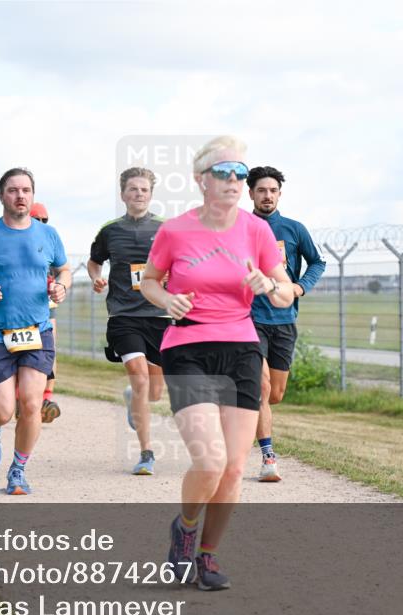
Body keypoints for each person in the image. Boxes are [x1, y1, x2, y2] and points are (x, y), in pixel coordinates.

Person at [139, 136, 294, 591]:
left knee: (232, 468)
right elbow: (149, 282)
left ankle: (207, 557)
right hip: (187, 348)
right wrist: (167, 298)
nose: (234, 181)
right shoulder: (174, 230)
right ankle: (185, 529)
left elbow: (286, 292)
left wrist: (268, 284)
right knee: (209, 460)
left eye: (240, 174)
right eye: (224, 172)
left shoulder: (257, 231)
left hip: (242, 348)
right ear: (201, 179)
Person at [0, 167, 71, 495]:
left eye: (25, 190)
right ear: (1, 196)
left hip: (37, 329)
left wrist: (61, 285)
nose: (20, 196)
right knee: (4, 409)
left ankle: (18, 469)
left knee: (32, 404)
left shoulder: (48, 235)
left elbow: (62, 268)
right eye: (13, 190)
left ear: (32, 195)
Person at [247, 166, 326, 482]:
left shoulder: (294, 229)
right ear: (250, 193)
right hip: (248, 318)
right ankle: (268, 458)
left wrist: (300, 286)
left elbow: (317, 262)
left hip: (283, 319)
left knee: (275, 394)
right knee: (261, 387)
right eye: (261, 190)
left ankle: (236, 406)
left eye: (273, 191)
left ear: (279, 194)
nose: (267, 196)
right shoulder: (239, 228)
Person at [88, 167, 168, 475]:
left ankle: (133, 399)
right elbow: (95, 261)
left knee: (155, 392)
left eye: (144, 190)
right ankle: (146, 453)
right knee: (139, 377)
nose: (138, 194)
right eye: (133, 189)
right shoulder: (110, 230)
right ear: (123, 194)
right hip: (123, 315)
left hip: (159, 316)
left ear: (151, 194)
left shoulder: (166, 228)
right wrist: (97, 279)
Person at [29, 202, 62, 423]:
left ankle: (46, 398)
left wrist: (59, 285)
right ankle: (23, 397)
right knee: (23, 351)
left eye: (44, 220)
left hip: (47, 308)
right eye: (36, 219)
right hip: (22, 310)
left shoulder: (51, 241)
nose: (41, 224)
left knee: (50, 351)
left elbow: (63, 270)